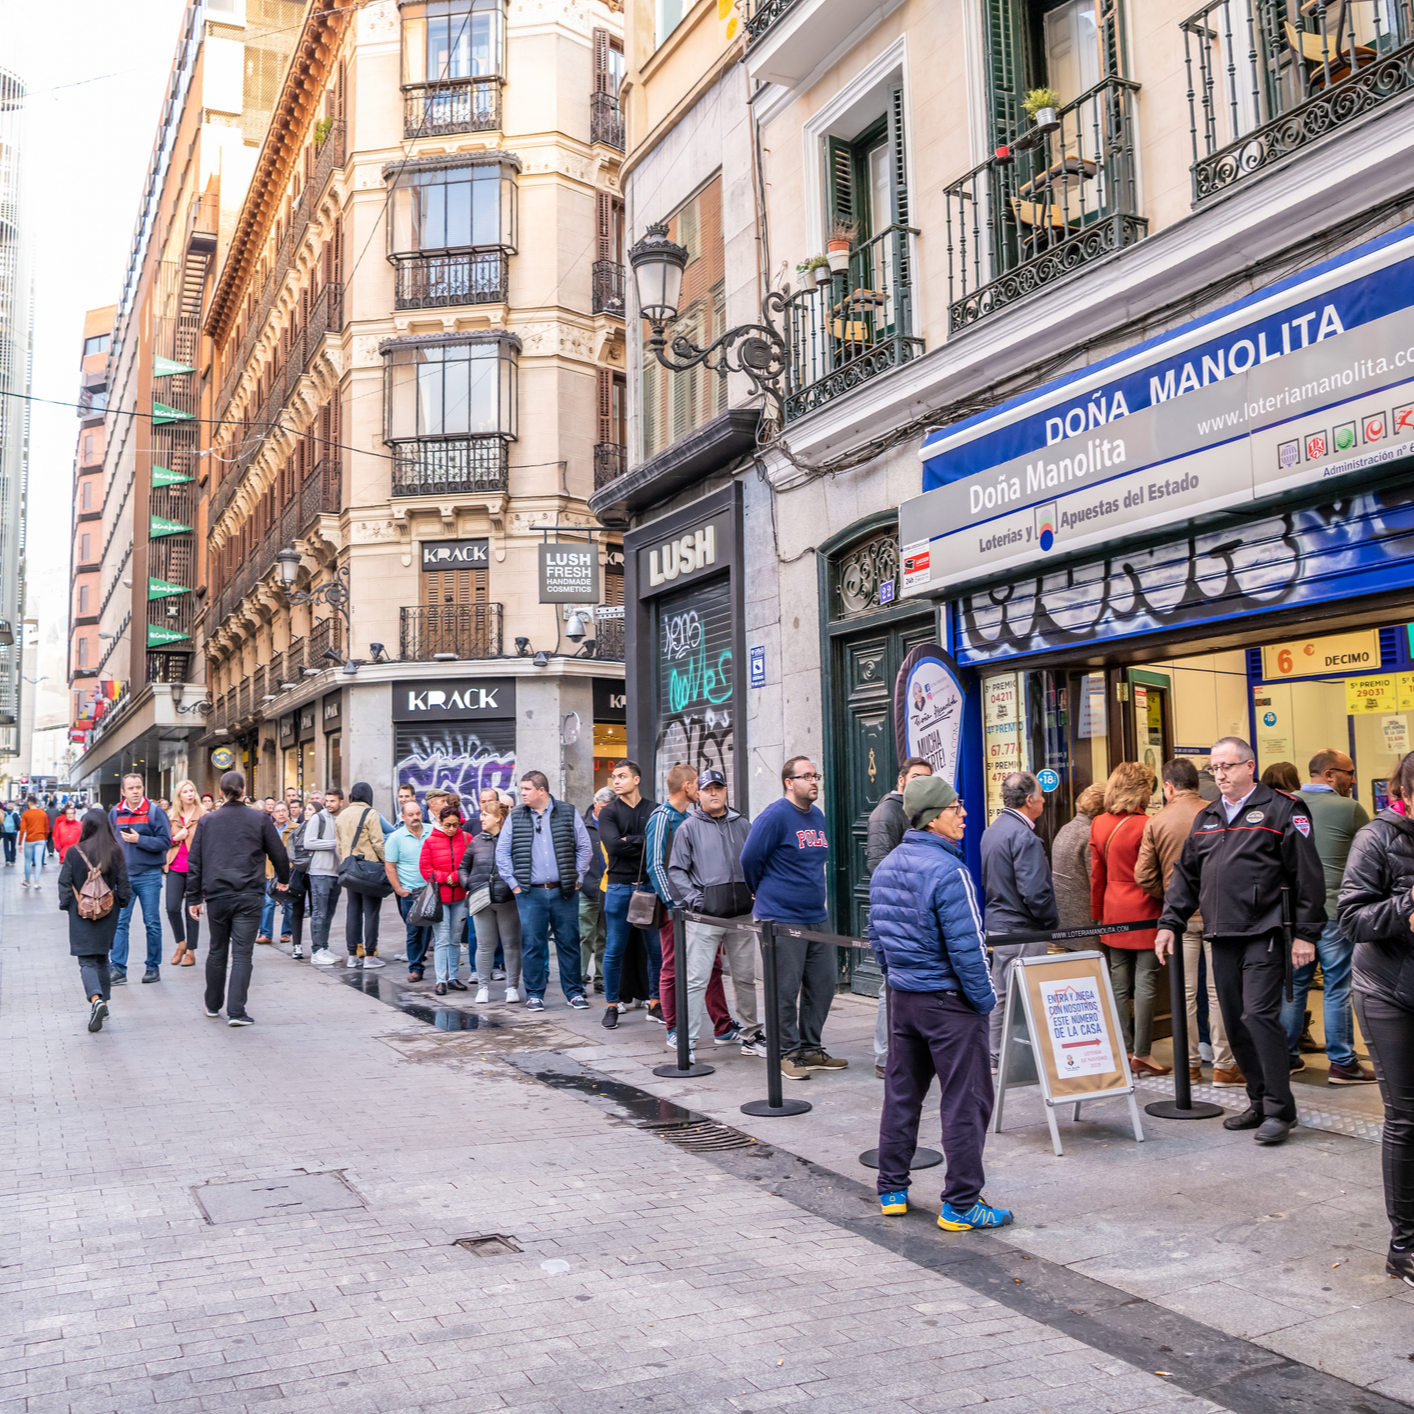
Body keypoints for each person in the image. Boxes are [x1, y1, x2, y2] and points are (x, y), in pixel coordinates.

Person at [1156, 736, 1325, 1146]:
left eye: (1227, 766)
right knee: (1234, 1021)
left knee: (1258, 1015)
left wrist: (1305, 934)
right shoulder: (1207, 817)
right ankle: (1259, 1099)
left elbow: (1308, 876)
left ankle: (1281, 1110)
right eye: (1214, 768)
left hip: (1266, 932)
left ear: (1250, 766)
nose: (1220, 774)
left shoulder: (1284, 809)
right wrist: (1169, 922)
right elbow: (1187, 876)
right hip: (1221, 932)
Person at [869, 775, 1011, 1231]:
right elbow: (969, 947)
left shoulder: (887, 866)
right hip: (949, 1003)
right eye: (956, 808)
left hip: (905, 998)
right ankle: (963, 1204)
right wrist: (984, 1002)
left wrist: (897, 979)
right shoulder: (950, 871)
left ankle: (892, 1187)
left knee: (902, 1092)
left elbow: (877, 939)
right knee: (965, 1102)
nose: (964, 814)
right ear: (933, 819)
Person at [1338, 750, 1414, 1284]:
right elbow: (1351, 917)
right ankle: (1404, 1247)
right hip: (1390, 991)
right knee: (1408, 1117)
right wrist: (1407, 907)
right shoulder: (1378, 837)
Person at [1136, 758, 1242, 1087]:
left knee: (1185, 994)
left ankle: (1190, 1066)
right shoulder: (1216, 813)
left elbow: (1143, 875)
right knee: (1219, 991)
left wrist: (1169, 893)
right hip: (1217, 915)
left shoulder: (1156, 822)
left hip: (1178, 919)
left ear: (1168, 787)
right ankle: (1225, 1066)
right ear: (1196, 783)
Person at [741, 755, 841, 1079]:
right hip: (781, 918)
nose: (814, 782)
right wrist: (760, 892)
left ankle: (811, 1048)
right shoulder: (774, 817)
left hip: (816, 915)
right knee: (784, 989)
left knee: (824, 983)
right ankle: (786, 1053)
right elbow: (749, 858)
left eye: (816, 776)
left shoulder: (818, 816)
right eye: (806, 776)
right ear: (789, 781)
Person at [1285, 748, 1374, 1084]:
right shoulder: (1349, 809)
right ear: (1328, 774)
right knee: (1338, 985)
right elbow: (1372, 850)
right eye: (1348, 773)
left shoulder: (1284, 804)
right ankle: (1342, 1063)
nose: (1352, 780)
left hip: (1294, 915)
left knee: (1294, 986)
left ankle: (1287, 1056)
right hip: (1333, 911)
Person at [667, 768, 760, 1061]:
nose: (714, 793)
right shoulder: (688, 828)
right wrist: (697, 900)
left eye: (718, 787)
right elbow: (676, 870)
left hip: (742, 916)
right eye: (708, 789)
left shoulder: (743, 823)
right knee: (696, 979)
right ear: (699, 794)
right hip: (705, 917)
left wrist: (756, 891)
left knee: (745, 977)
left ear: (725, 790)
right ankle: (688, 1040)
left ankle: (752, 1034)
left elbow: (756, 860)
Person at [185, 770, 290, 1026]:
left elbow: (195, 861)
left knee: (217, 950)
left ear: (221, 793)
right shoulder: (260, 819)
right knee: (243, 953)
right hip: (249, 894)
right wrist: (284, 879)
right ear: (243, 791)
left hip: (217, 895)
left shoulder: (208, 821)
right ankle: (236, 1011)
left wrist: (193, 898)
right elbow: (279, 853)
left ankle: (212, 1004)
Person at [1090, 762, 1168, 1076]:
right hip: (1145, 908)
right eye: (1149, 786)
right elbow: (1154, 873)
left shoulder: (1098, 823)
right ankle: (1143, 1053)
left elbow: (1097, 876)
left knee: (1119, 983)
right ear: (1139, 790)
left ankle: (1123, 1049)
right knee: (1146, 982)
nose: (1151, 792)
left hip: (1112, 908)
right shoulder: (1147, 824)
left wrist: (1098, 914)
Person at [495, 769, 591, 1012]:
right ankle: (535, 994)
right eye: (521, 789)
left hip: (564, 891)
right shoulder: (516, 816)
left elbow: (584, 848)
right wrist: (514, 884)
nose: (522, 793)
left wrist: (577, 878)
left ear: (541, 790)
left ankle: (574, 993)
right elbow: (502, 852)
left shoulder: (567, 812)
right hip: (530, 893)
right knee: (532, 944)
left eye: (526, 789)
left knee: (569, 943)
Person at [979, 771, 1058, 1066]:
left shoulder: (993, 830)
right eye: (1040, 795)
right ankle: (1010, 1056)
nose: (1044, 799)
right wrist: (1050, 922)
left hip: (1000, 923)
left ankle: (996, 1053)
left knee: (1002, 993)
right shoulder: (1024, 836)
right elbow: (1035, 892)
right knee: (1022, 995)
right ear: (1029, 800)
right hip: (1022, 928)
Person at [866, 756, 934, 1079]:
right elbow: (879, 865)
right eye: (916, 777)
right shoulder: (888, 812)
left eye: (927, 778)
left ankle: (906, 1049)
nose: (921, 783)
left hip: (913, 911)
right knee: (889, 984)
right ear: (901, 780)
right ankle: (885, 1055)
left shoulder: (915, 811)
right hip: (895, 911)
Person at [57, 807, 133, 1034]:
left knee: (86, 961)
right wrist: (121, 903)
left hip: (81, 912)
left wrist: (67, 905)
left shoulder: (74, 852)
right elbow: (124, 883)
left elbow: (64, 882)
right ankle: (105, 1005)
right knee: (102, 958)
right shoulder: (115, 851)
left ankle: (96, 1000)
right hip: (107, 913)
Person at [598, 760, 660, 1027]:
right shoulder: (608, 812)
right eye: (614, 776)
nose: (616, 781)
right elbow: (612, 847)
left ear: (637, 779)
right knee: (614, 949)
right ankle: (612, 1004)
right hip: (618, 887)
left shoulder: (654, 809)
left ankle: (656, 1003)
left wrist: (628, 840)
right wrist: (639, 841)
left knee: (655, 950)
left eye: (622, 776)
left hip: (649, 886)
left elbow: (659, 844)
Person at [643, 764, 699, 1030]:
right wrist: (672, 903)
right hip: (672, 906)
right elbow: (655, 864)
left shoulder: (689, 816)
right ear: (686, 786)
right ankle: (672, 1025)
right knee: (671, 964)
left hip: (694, 904)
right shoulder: (662, 817)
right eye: (697, 783)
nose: (700, 788)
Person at [108, 776, 172, 985]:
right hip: (123, 877)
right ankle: (117, 968)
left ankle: (152, 967)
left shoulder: (154, 812)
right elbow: (108, 842)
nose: (135, 791)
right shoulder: (115, 813)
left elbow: (165, 842)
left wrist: (139, 840)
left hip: (149, 876)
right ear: (123, 791)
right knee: (119, 923)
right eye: (131, 788)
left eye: (139, 787)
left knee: (152, 922)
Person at [460, 795, 521, 1003]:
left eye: (485, 815)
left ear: (498, 818)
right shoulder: (476, 840)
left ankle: (511, 987)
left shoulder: (512, 841)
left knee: (511, 944)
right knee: (484, 945)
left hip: (507, 900)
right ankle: (483, 987)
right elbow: (462, 867)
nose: (481, 818)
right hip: (481, 900)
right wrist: (469, 884)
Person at [420, 795, 471, 996]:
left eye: (455, 825)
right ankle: (441, 979)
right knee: (442, 939)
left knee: (455, 938)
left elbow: (471, 865)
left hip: (459, 896)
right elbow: (425, 869)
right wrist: (445, 877)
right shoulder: (430, 841)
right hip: (440, 898)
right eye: (447, 825)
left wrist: (456, 876)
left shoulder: (467, 839)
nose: (451, 829)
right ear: (440, 823)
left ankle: (453, 977)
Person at [337, 782, 386, 968]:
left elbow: (339, 845)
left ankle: (352, 955)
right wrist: (386, 863)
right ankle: (371, 956)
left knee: (353, 911)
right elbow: (378, 843)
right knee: (371, 913)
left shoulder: (342, 815)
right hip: (369, 870)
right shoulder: (370, 813)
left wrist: (346, 863)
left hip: (350, 870)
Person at [1051, 783, 1105, 952]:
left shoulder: (1065, 829)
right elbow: (1095, 879)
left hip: (1065, 919)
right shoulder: (1089, 834)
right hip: (1085, 922)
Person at [385, 798, 433, 982]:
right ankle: (415, 967)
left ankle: (420, 961)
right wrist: (398, 889)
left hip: (430, 890)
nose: (415, 818)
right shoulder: (396, 837)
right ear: (403, 817)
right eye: (411, 815)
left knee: (428, 930)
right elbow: (390, 866)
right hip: (410, 892)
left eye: (418, 814)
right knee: (413, 931)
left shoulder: (432, 831)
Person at [165, 781, 205, 967]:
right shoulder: (171, 816)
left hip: (195, 870)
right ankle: (181, 944)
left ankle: (191, 952)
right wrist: (175, 838)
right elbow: (164, 841)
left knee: (193, 912)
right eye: (185, 791)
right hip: (175, 867)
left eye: (192, 790)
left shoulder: (203, 814)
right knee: (172, 908)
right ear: (179, 796)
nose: (189, 794)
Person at [304, 786, 343, 964]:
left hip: (337, 873)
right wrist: (335, 843)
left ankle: (324, 948)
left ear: (341, 802)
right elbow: (308, 843)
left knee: (329, 913)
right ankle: (316, 951)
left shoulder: (342, 819)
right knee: (319, 912)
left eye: (332, 801)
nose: (328, 804)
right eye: (326, 801)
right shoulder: (317, 818)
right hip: (319, 872)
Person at [579, 786, 613, 991]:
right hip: (588, 887)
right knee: (584, 935)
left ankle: (601, 978)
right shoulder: (583, 825)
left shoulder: (615, 824)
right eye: (607, 807)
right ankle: (580, 978)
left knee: (605, 936)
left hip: (609, 888)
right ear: (596, 804)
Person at [256, 803, 293, 945]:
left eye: (284, 810)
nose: (281, 813)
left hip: (289, 868)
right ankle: (265, 933)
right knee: (268, 901)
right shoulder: (268, 828)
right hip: (270, 869)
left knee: (289, 903)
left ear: (288, 812)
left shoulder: (295, 829)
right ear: (273, 814)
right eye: (278, 811)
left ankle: (286, 932)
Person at [19, 794, 49, 887]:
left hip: (30, 840)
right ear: (36, 803)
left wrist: (19, 843)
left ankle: (27, 881)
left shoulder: (26, 814)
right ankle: (37, 882)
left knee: (27, 861)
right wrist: (44, 837)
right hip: (40, 839)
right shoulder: (42, 813)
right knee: (38, 860)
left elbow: (22, 829)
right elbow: (47, 828)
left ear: (28, 803)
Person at [3, 798, 20, 864]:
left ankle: (7, 859)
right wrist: (17, 829)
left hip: (5, 832)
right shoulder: (15, 814)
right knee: (13, 846)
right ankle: (13, 859)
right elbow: (18, 824)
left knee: (6, 846)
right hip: (13, 832)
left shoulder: (3, 814)